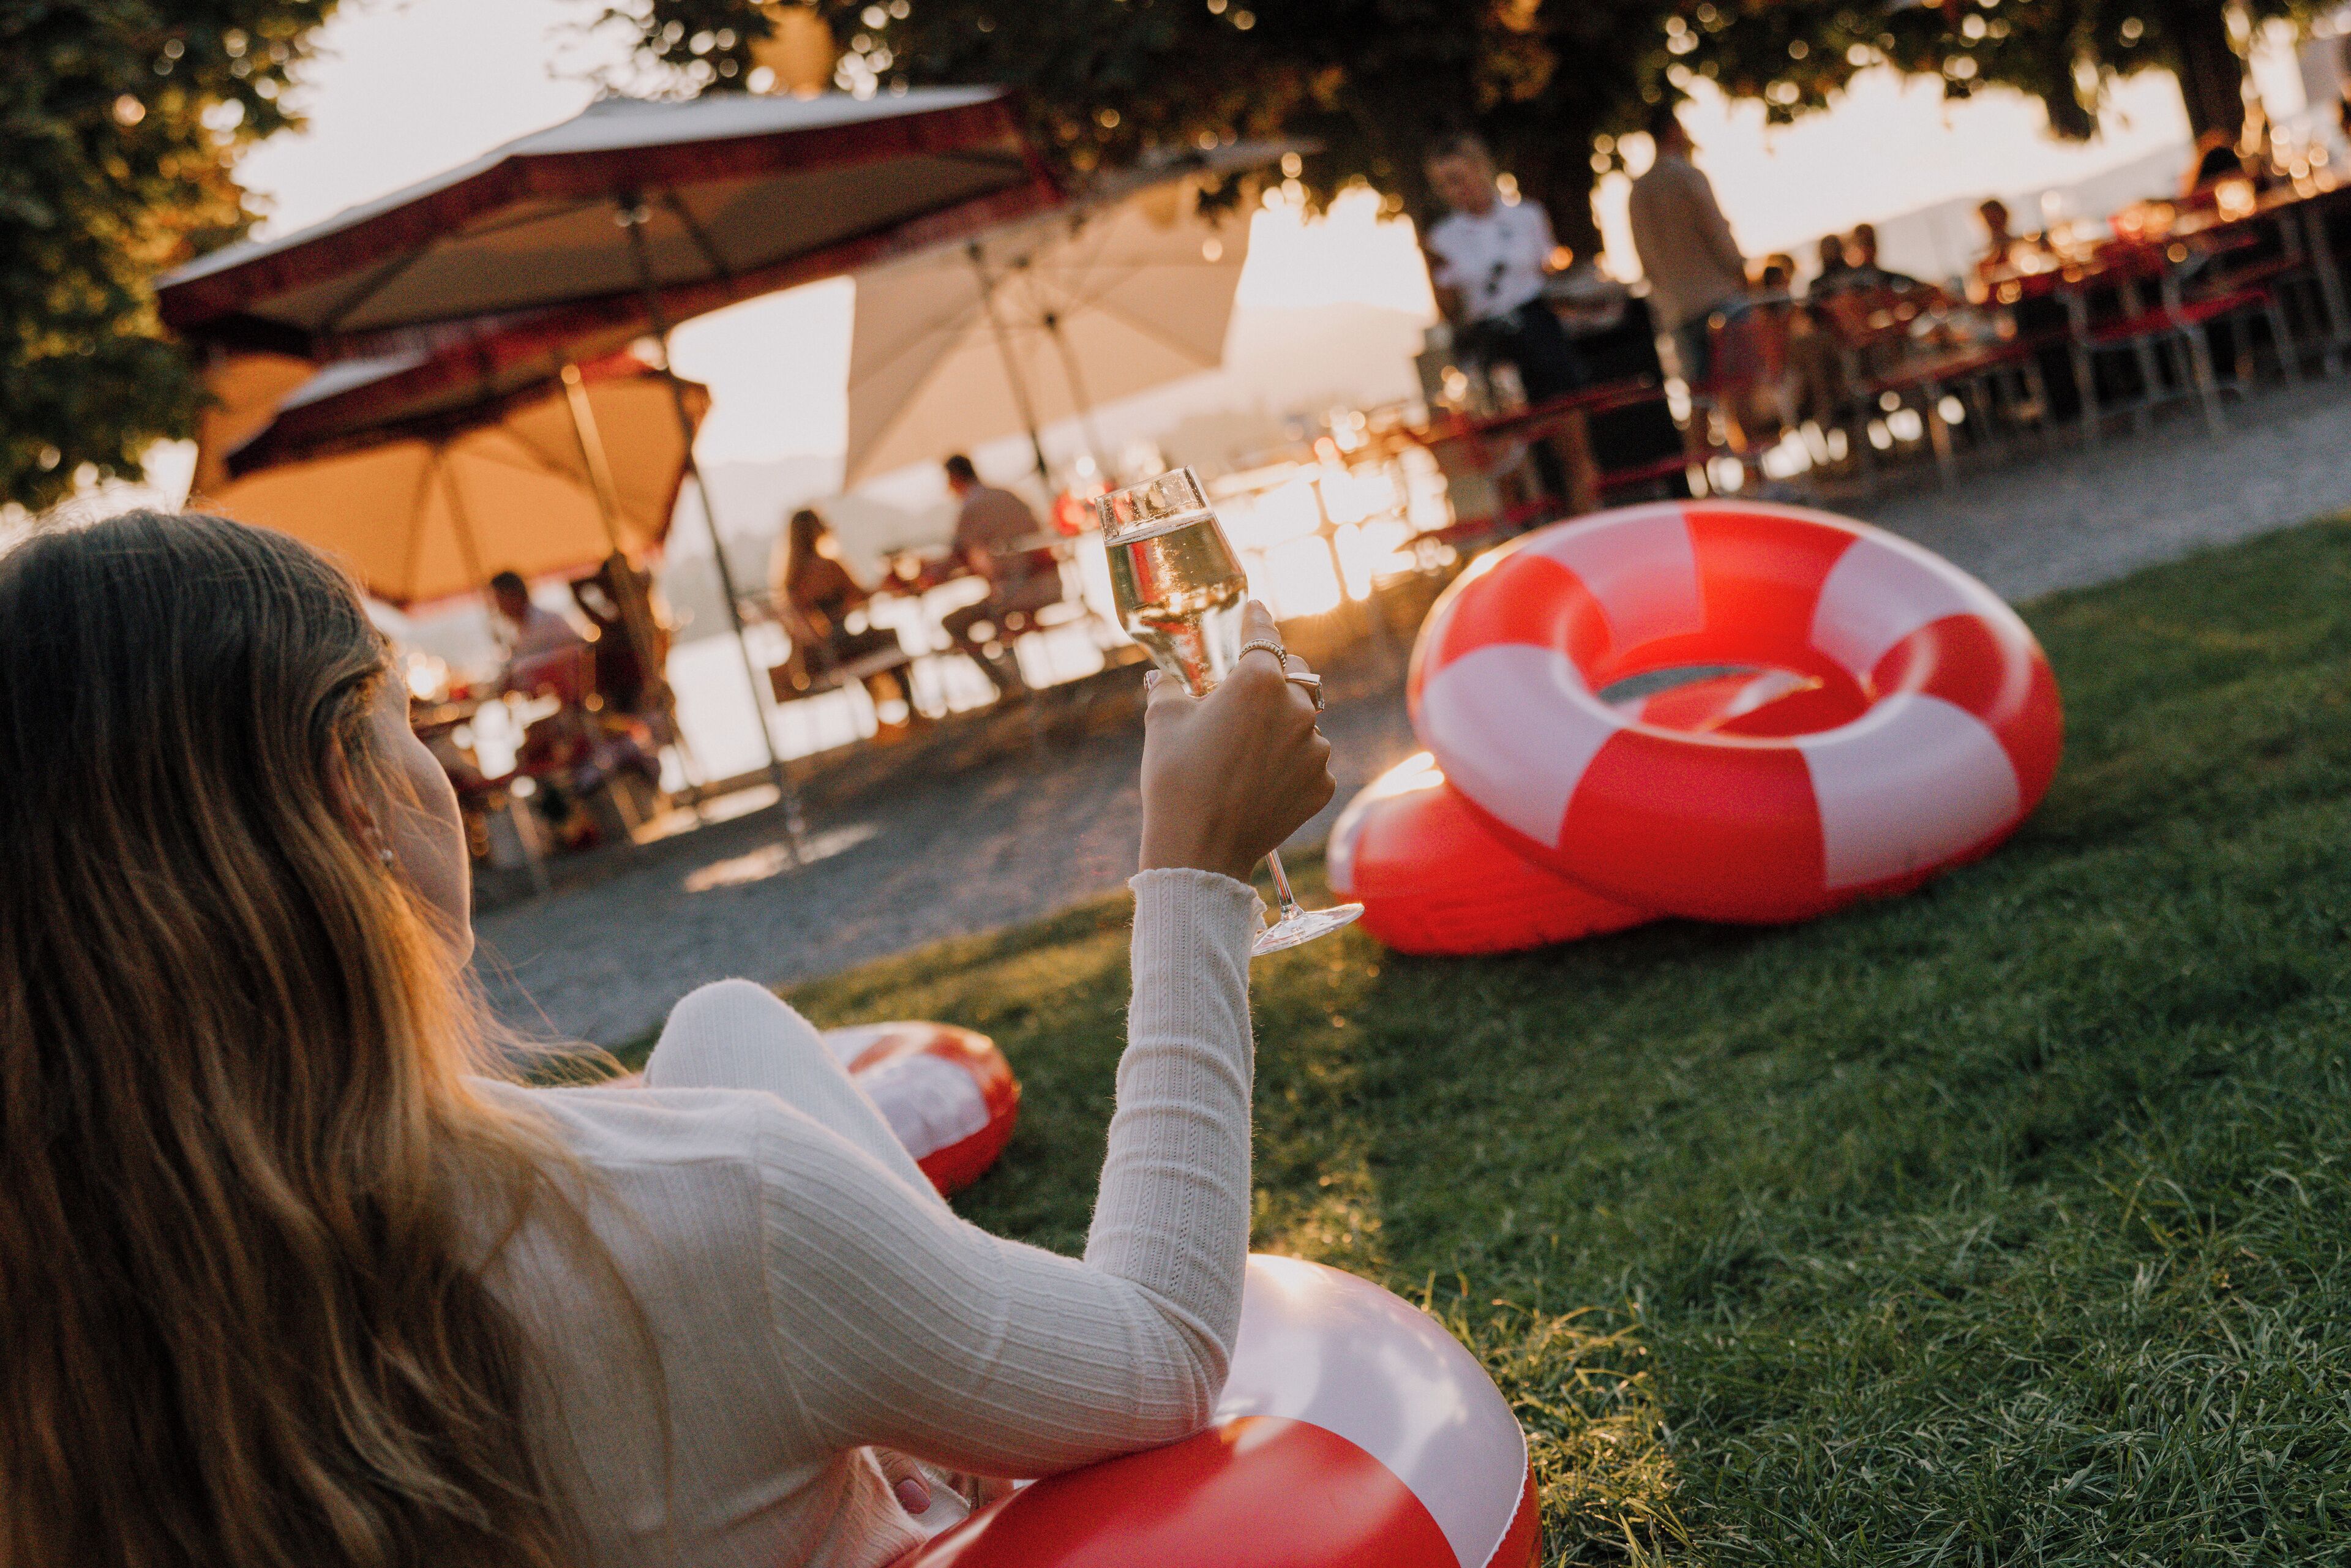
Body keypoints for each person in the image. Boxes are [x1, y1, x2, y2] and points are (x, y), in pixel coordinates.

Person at [0, 508, 1337, 1568]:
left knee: (726, 1022)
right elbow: (1157, 1352)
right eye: (408, 716)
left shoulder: (59, 1321)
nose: (443, 775)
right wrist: (1198, 868)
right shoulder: (697, 1207)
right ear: (348, 793)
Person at [1420, 133, 1598, 516]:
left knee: (1571, 438)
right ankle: (1525, 531)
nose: (1455, 190)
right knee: (1506, 455)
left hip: (1537, 326)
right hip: (1489, 341)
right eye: (1445, 184)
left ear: (1480, 170)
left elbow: (1545, 270)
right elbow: (1450, 306)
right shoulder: (1443, 238)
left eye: (1458, 177)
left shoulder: (1528, 216)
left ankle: (1589, 519)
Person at [1626, 102, 1750, 388]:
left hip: (1676, 307)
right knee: (1741, 387)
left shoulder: (1638, 192)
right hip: (1720, 298)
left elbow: (1644, 257)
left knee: (1699, 395)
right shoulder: (1687, 175)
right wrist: (1740, 271)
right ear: (1673, 131)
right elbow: (1716, 233)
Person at [768, 507, 915, 738]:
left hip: (811, 660)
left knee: (868, 644)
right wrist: (888, 580)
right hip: (833, 654)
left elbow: (803, 627)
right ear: (815, 531)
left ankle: (881, 720)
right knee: (885, 639)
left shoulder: (789, 580)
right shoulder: (827, 566)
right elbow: (860, 596)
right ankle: (913, 713)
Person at [939, 454, 1062, 697]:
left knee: (955, 623)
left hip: (1017, 594)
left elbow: (957, 555)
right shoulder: (1007, 496)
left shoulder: (971, 508)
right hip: (1049, 584)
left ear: (954, 479)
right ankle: (1015, 685)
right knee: (992, 610)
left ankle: (1008, 686)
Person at [487, 568, 587, 688]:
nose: (498, 607)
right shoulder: (512, 632)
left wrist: (529, 667)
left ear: (515, 595)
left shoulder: (550, 621)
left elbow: (578, 653)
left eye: (499, 599)